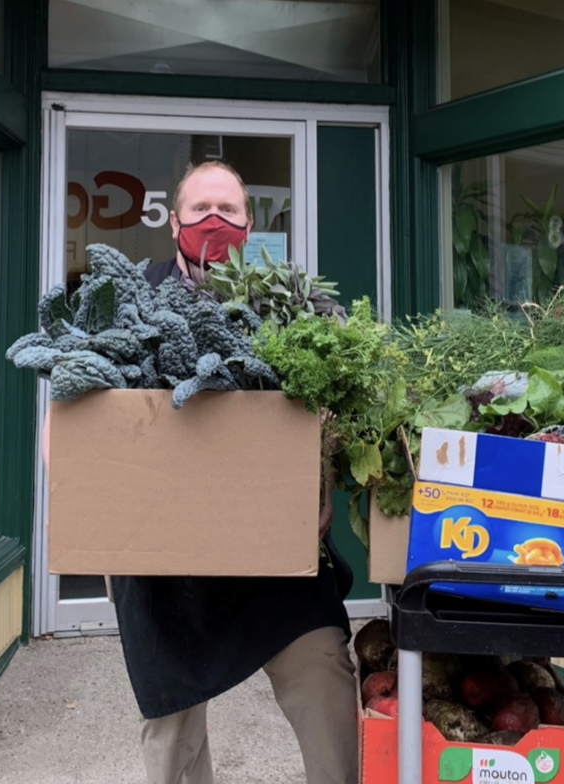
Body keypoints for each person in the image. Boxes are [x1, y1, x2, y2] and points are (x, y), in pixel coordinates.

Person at [113, 160, 360, 784]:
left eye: (228, 210)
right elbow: (78, 415)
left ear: (251, 225)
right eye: (200, 210)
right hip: (167, 563)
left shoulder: (295, 302)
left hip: (275, 557)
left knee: (325, 674)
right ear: (174, 224)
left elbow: (347, 390)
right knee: (170, 731)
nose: (213, 222)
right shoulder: (132, 300)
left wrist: (324, 478)